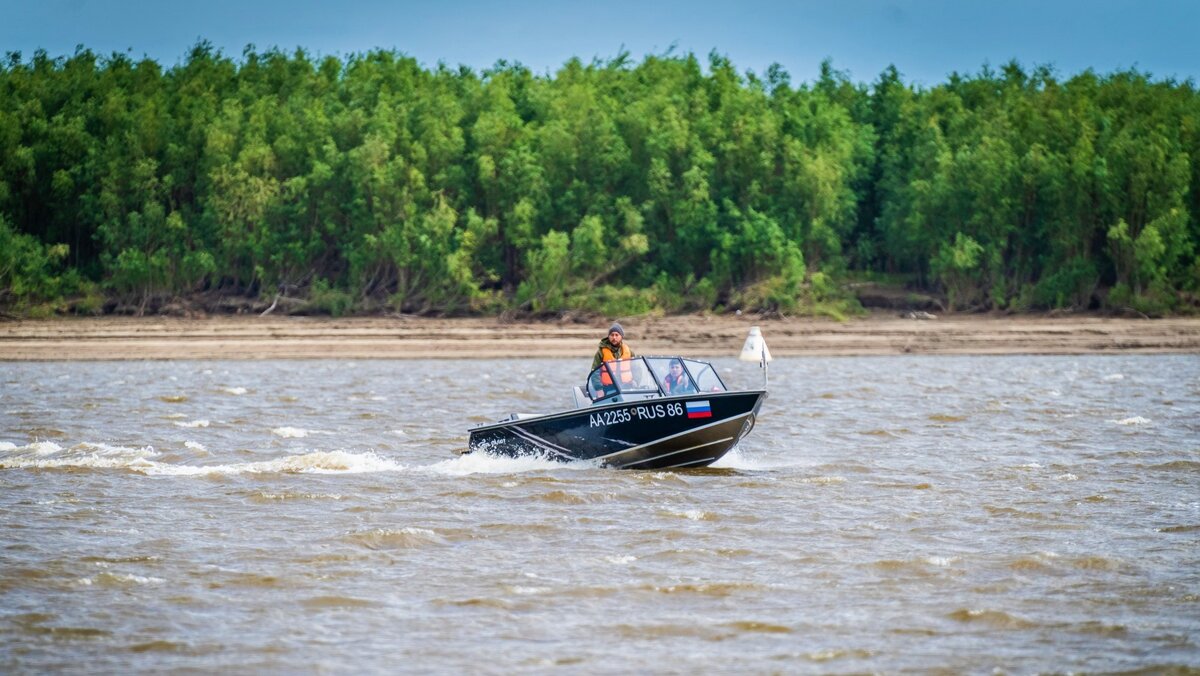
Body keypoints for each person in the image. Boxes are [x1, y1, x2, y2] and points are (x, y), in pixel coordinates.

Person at [590, 322, 634, 394]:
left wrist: (636, 381)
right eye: (612, 335)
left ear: (621, 336)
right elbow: (594, 371)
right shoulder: (601, 352)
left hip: (627, 386)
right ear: (608, 336)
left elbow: (636, 368)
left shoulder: (629, 351)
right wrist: (599, 389)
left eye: (617, 335)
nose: (614, 337)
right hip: (607, 388)